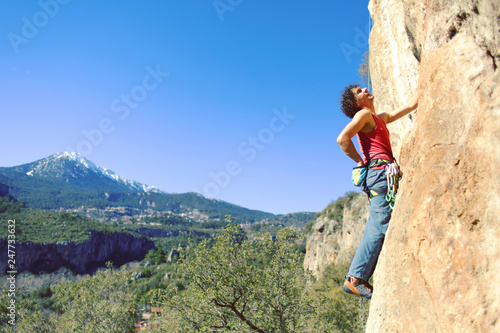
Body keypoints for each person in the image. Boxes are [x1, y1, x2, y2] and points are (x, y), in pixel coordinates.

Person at [336, 84, 418, 299]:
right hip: (379, 172)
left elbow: (410, 106)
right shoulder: (363, 115)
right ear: (357, 103)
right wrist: (361, 161)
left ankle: (358, 276)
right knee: (379, 224)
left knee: (380, 222)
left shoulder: (379, 117)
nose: (364, 88)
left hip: (383, 172)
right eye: (358, 91)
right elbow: (342, 139)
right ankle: (354, 279)